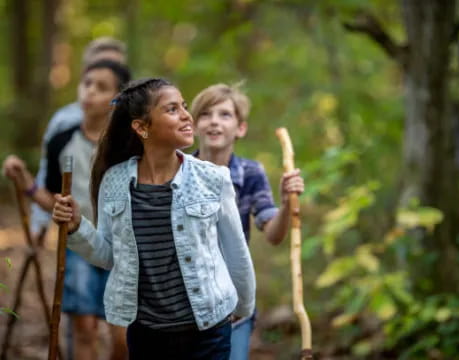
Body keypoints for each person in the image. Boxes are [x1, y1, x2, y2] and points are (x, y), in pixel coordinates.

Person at [51, 78, 256, 360]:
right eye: (172, 109)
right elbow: (110, 255)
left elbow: (236, 252)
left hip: (209, 329)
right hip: (147, 333)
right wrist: (76, 227)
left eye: (184, 107)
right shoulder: (116, 180)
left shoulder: (212, 178)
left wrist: (243, 307)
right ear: (142, 127)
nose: (187, 115)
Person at [3, 60, 131, 360]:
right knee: (83, 327)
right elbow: (52, 199)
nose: (89, 92)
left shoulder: (128, 145)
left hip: (125, 247)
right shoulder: (62, 140)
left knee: (122, 337)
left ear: (118, 97)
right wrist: (27, 184)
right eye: (86, 83)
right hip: (78, 242)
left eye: (101, 87)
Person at [190, 83, 305, 360]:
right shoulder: (178, 169)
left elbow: (273, 234)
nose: (214, 121)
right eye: (206, 114)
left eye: (225, 115)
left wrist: (287, 201)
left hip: (234, 303)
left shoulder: (251, 173)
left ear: (240, 128)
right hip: (187, 301)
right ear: (193, 126)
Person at [31, 37, 127, 236]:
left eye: (114, 66)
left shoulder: (133, 134)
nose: (91, 91)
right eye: (88, 82)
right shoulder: (63, 124)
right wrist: (39, 225)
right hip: (80, 234)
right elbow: (48, 178)